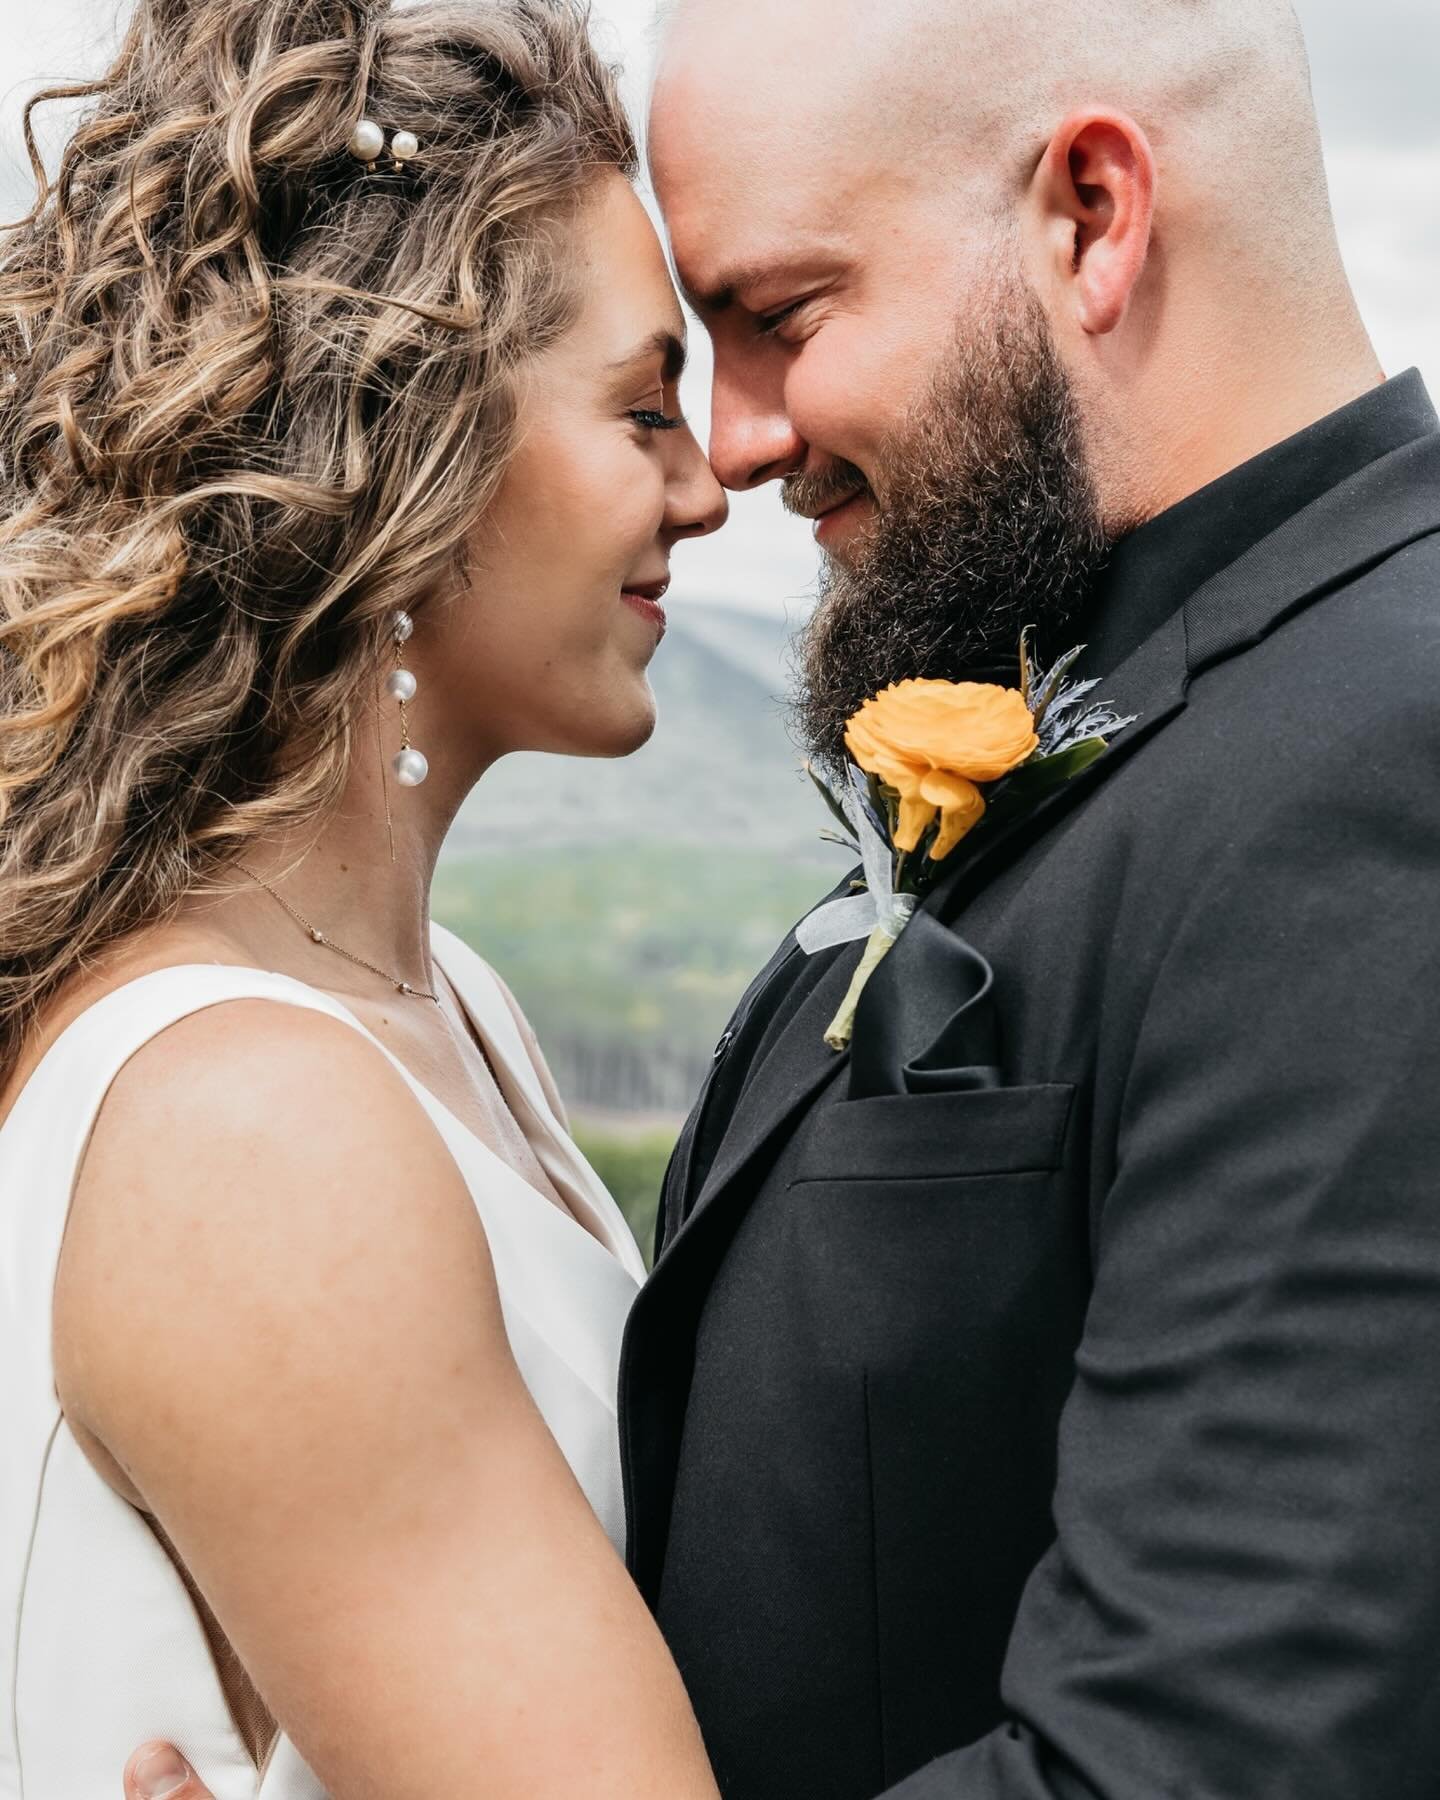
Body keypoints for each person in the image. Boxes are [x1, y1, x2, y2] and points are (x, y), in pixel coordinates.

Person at [119, 0, 1440, 1793]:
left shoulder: (1377, 763)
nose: (734, 449)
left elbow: (1209, 1758)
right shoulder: (1150, 706)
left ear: (1094, 215)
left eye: (783, 318)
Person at [0, 0, 731, 1793]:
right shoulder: (248, 1130)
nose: (710, 491)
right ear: (414, 438)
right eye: (648, 409)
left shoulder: (444, 1008)